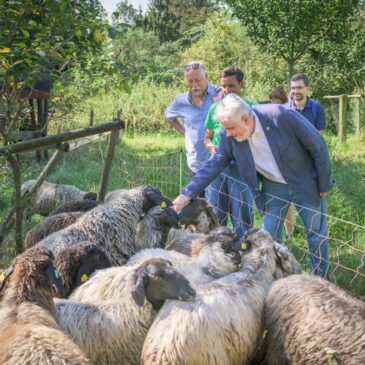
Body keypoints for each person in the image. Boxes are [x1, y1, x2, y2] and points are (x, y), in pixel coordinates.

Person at [173, 93, 333, 277]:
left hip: (305, 181)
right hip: (274, 186)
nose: (228, 134)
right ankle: (274, 280)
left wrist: (324, 184)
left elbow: (318, 145)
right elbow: (214, 164)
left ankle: (321, 279)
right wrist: (185, 196)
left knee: (316, 234)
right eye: (226, 129)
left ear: (247, 119)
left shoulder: (280, 116)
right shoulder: (229, 136)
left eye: (231, 128)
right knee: (268, 236)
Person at [204, 67, 254, 239]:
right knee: (215, 212)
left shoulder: (252, 108)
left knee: (242, 215)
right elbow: (207, 137)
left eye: (231, 86)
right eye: (223, 86)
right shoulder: (215, 109)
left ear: (241, 85)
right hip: (218, 168)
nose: (227, 91)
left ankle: (244, 251)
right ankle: (218, 250)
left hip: (241, 169)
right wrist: (210, 146)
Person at [165, 61, 223, 187]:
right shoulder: (181, 101)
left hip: (221, 163)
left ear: (206, 76)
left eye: (198, 80)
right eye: (190, 81)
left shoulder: (220, 94)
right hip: (197, 165)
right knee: (200, 205)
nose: (194, 85)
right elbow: (169, 116)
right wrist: (186, 133)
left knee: (222, 205)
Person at [269, 85, 294, 236]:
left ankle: (289, 232)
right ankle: (278, 233)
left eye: (277, 101)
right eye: (272, 100)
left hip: (288, 164)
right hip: (273, 165)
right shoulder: (268, 117)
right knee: (276, 201)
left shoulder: (288, 116)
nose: (274, 104)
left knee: (289, 202)